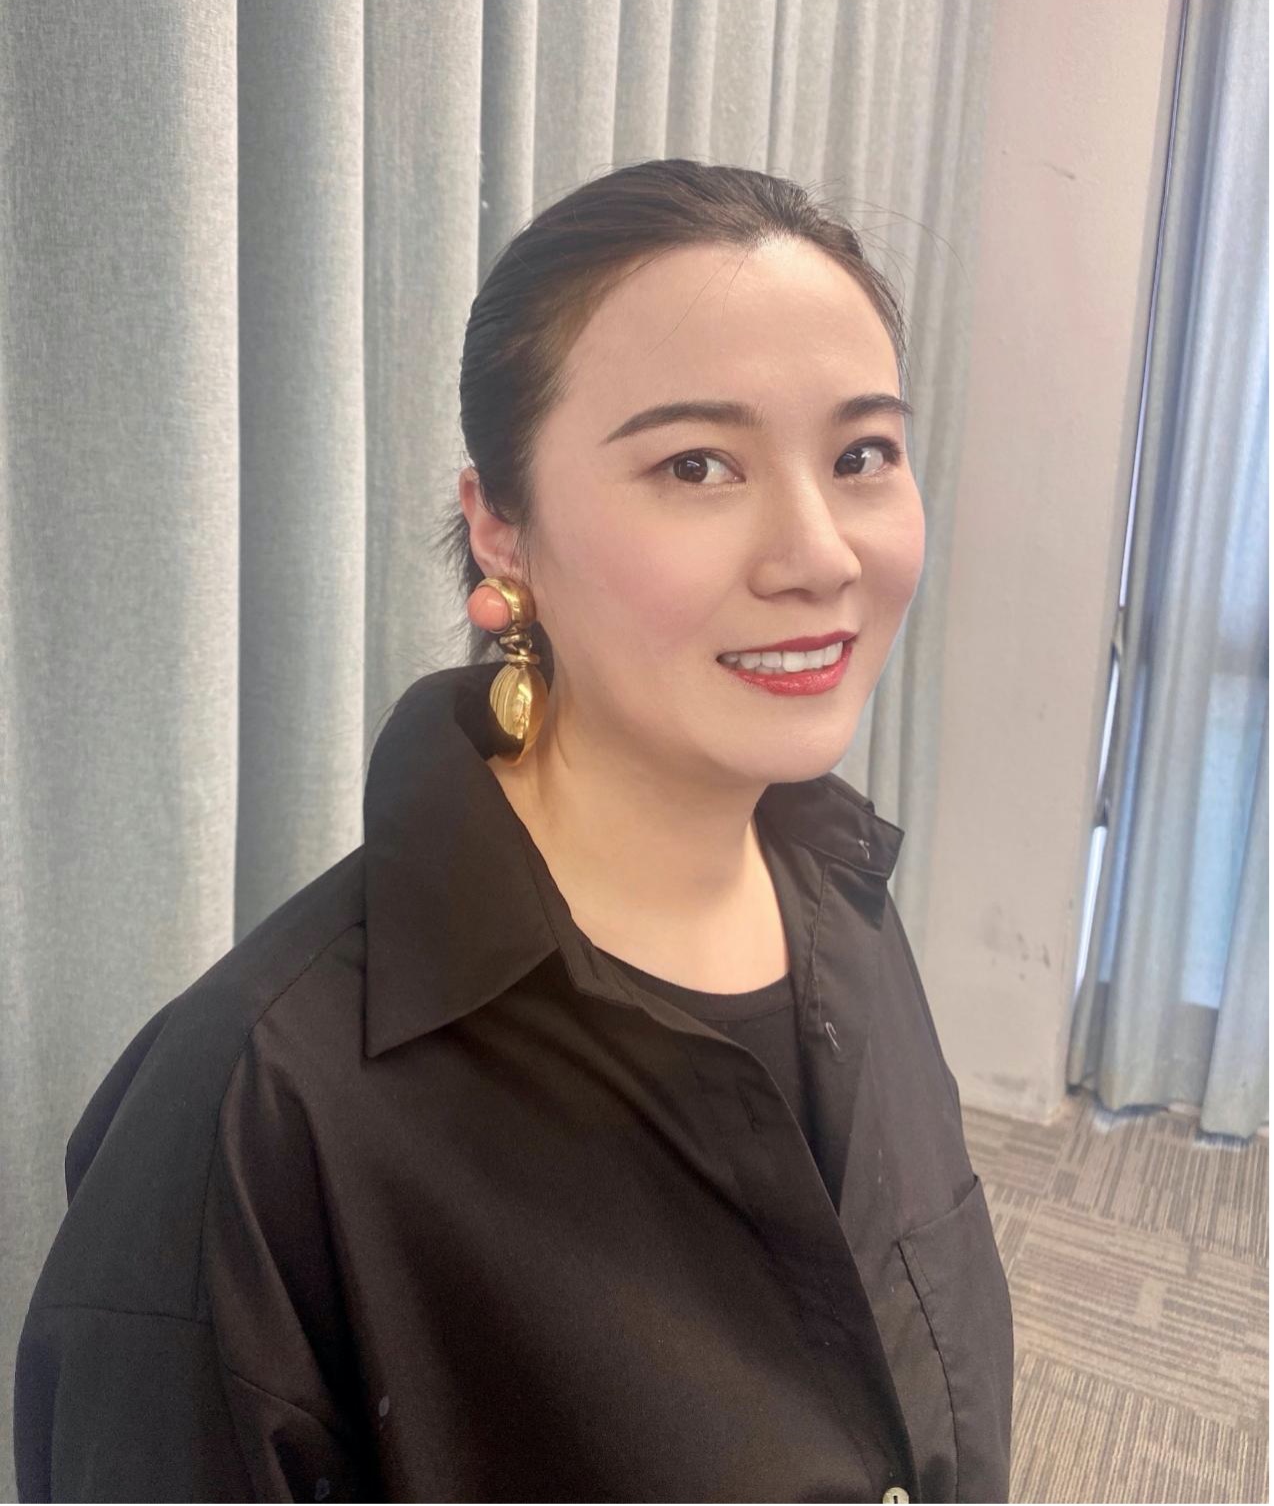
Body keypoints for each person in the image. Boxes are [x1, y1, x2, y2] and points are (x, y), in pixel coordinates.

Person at [13, 159, 1013, 1502]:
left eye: (861, 455)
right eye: (697, 465)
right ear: (501, 528)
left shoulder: (842, 902)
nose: (821, 553)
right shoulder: (250, 1121)